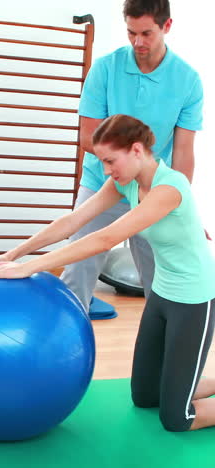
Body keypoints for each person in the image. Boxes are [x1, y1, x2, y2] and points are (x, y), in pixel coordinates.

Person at [0, 114, 215, 432]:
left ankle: (181, 389)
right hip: (163, 294)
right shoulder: (127, 182)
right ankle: (181, 384)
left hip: (194, 300)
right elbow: (73, 221)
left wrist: (30, 268)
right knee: (145, 396)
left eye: (111, 161)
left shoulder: (170, 187)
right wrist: (12, 255)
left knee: (177, 418)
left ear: (136, 150)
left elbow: (106, 238)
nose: (107, 170)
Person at [60, 0, 204, 318]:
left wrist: (181, 206)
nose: (138, 42)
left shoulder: (188, 80)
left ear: (167, 26)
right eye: (131, 32)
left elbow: (183, 152)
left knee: (163, 283)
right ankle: (65, 353)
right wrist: (125, 164)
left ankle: (163, 349)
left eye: (146, 33)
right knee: (76, 272)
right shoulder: (105, 68)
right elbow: (87, 136)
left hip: (152, 190)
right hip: (103, 183)